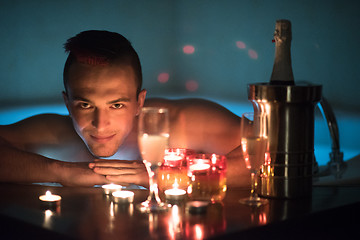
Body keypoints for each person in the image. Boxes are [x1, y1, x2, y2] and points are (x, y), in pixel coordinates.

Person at [0, 30, 249, 188]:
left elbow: (274, 152)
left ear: (139, 102)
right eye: (85, 105)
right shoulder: (55, 132)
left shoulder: (183, 121)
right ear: (67, 103)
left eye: (116, 105)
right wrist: (61, 171)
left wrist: (164, 174)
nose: (100, 123)